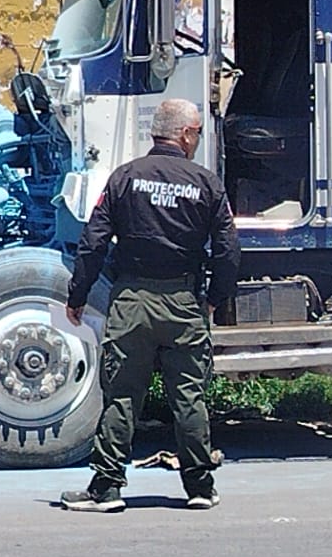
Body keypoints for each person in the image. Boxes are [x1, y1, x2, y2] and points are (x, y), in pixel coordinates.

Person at [60, 98, 240, 513]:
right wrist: (214, 299)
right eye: (195, 131)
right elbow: (229, 251)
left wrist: (78, 296)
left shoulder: (125, 178)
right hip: (183, 303)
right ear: (185, 134)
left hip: (131, 301)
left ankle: (106, 488)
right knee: (189, 398)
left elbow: (93, 243)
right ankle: (199, 487)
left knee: (122, 396)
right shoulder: (207, 183)